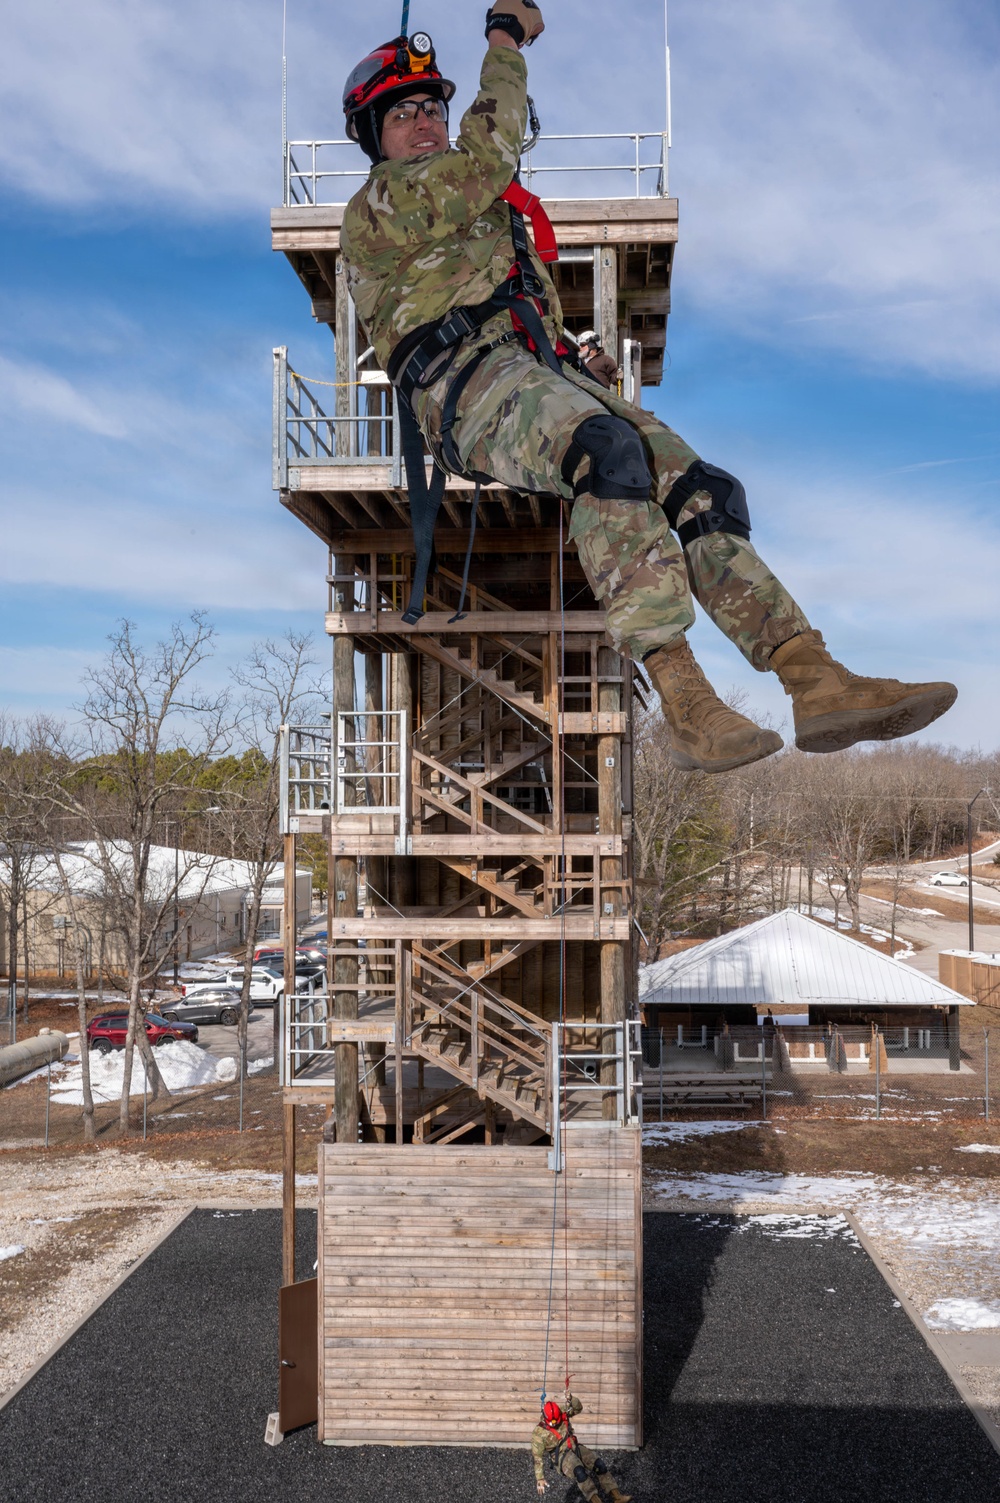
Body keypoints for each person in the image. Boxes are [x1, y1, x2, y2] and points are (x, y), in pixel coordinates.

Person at [340, 5, 957, 774]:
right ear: (373, 138)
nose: (427, 122)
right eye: (404, 114)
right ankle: (686, 698)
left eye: (433, 106)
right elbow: (489, 153)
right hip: (462, 388)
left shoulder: (479, 222)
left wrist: (573, 352)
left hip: (534, 372)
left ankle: (813, 675)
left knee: (703, 489)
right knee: (606, 452)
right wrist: (503, 37)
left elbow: (505, 302)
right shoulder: (380, 206)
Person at [531, 1394, 631, 1502]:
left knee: (599, 1464)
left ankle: (617, 1497)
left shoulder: (562, 1412)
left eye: (558, 1420)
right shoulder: (539, 1433)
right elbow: (537, 1458)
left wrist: (571, 1398)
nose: (556, 1423)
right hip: (561, 1456)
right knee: (579, 1472)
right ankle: (596, 1501)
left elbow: (578, 1408)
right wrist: (540, 1477)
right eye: (553, 1422)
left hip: (574, 1446)